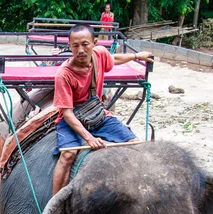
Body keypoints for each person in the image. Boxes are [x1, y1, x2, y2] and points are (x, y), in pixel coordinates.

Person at [51, 24, 153, 195]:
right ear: (69, 46)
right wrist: (89, 138)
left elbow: (114, 59)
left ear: (94, 43)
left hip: (98, 115)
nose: (81, 50)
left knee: (136, 144)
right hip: (72, 120)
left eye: (85, 44)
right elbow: (67, 113)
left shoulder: (100, 55)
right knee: (67, 155)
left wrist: (136, 56)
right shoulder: (64, 74)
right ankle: (53, 204)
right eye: (75, 45)